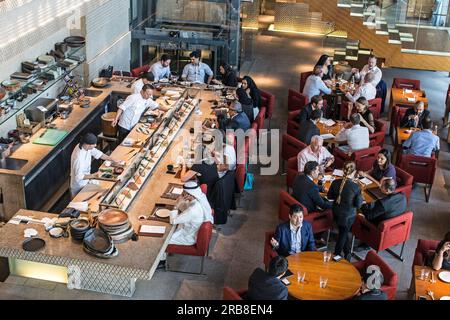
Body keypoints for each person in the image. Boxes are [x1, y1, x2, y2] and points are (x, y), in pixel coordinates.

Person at [327, 161, 364, 261]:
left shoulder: (335, 182)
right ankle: (337, 254)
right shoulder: (356, 187)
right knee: (343, 234)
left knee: (344, 232)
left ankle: (347, 253)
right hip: (348, 216)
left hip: (336, 212)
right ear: (354, 172)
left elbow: (329, 196)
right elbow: (358, 205)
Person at [70, 133, 118, 197]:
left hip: (86, 180)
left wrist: (113, 159)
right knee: (78, 201)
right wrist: (94, 175)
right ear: (87, 144)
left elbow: (98, 154)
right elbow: (78, 177)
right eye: (93, 144)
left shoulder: (85, 146)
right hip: (79, 185)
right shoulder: (78, 158)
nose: (95, 145)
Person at [168, 181, 214, 246]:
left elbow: (173, 221)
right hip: (189, 228)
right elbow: (185, 208)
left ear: (189, 194)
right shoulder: (199, 198)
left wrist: (176, 206)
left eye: (183, 192)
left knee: (163, 240)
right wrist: (179, 202)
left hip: (187, 236)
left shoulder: (193, 210)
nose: (181, 194)